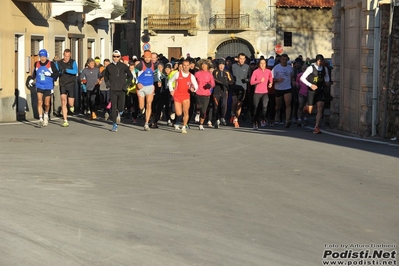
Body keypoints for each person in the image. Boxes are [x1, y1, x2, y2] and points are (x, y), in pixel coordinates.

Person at [104, 50, 133, 132]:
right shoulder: (109, 66)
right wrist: (107, 83)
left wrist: (127, 85)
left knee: (121, 107)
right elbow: (105, 76)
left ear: (120, 57)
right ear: (112, 56)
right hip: (113, 89)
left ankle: (119, 112)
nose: (115, 58)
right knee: (114, 107)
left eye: (117, 56)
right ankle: (114, 125)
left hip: (122, 89)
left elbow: (130, 76)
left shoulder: (124, 66)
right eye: (114, 56)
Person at [300, 54, 330, 134]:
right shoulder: (310, 68)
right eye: (319, 61)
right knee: (310, 111)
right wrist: (310, 85)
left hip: (320, 90)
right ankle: (306, 107)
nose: (320, 63)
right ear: (316, 61)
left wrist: (327, 82)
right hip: (311, 91)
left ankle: (316, 127)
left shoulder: (325, 69)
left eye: (321, 61)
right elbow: (302, 78)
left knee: (320, 106)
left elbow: (326, 77)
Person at [168, 60, 198, 133]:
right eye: (184, 65)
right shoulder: (178, 74)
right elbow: (170, 81)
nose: (186, 67)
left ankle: (184, 127)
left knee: (186, 112)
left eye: (187, 65)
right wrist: (171, 90)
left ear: (189, 66)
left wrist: (193, 89)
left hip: (186, 96)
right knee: (179, 113)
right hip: (177, 96)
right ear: (182, 66)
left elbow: (196, 86)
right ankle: (177, 121)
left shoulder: (191, 76)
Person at [31, 49, 59, 127]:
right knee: (40, 101)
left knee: (47, 104)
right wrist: (31, 79)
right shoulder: (36, 64)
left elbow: (57, 73)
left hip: (48, 86)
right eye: (41, 56)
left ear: (46, 57)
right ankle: (40, 118)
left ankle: (46, 114)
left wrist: (50, 74)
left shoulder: (51, 64)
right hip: (39, 85)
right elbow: (34, 74)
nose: (42, 58)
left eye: (44, 56)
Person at [136, 50, 157, 131]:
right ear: (143, 57)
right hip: (141, 87)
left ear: (151, 57)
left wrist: (158, 81)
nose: (147, 59)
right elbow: (134, 73)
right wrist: (137, 83)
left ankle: (146, 123)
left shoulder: (154, 65)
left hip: (150, 87)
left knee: (149, 104)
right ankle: (141, 110)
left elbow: (156, 75)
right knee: (141, 106)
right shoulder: (140, 65)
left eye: (149, 57)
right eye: (146, 57)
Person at [250, 58, 273, 130]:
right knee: (256, 108)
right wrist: (259, 80)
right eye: (261, 63)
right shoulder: (255, 72)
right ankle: (255, 122)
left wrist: (270, 83)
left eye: (264, 63)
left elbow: (270, 77)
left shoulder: (268, 71)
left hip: (265, 92)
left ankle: (263, 119)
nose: (263, 65)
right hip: (257, 92)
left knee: (264, 107)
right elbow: (251, 82)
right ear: (259, 64)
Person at [272, 53, 294, 128]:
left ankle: (288, 120)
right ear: (280, 59)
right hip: (278, 88)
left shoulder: (290, 68)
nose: (284, 61)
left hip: (287, 88)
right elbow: (272, 79)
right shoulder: (276, 68)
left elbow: (292, 76)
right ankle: (277, 114)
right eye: (283, 60)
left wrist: (293, 81)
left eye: (285, 60)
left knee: (288, 104)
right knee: (278, 105)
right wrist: (278, 80)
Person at [58, 49, 78, 127]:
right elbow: (57, 71)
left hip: (71, 83)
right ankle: (65, 120)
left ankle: (72, 106)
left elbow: (75, 71)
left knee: (70, 103)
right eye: (65, 56)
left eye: (68, 56)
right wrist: (60, 72)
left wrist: (66, 70)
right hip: (62, 83)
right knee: (63, 101)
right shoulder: (59, 63)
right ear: (63, 55)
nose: (66, 58)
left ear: (70, 56)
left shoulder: (73, 62)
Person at [194, 59, 215, 130]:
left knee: (204, 110)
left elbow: (213, 83)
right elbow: (193, 82)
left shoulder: (209, 74)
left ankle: (201, 124)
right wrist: (192, 87)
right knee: (199, 106)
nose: (204, 66)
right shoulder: (197, 73)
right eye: (202, 64)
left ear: (208, 66)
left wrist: (209, 85)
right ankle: (197, 113)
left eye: (205, 65)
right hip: (198, 93)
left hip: (206, 94)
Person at [231, 53, 249, 128]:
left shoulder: (247, 67)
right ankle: (232, 114)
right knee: (234, 102)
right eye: (240, 58)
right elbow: (228, 74)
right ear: (237, 59)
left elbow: (250, 77)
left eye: (243, 59)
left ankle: (236, 119)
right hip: (234, 86)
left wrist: (247, 80)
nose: (241, 60)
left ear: (245, 59)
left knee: (239, 104)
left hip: (243, 87)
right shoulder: (233, 66)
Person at [212, 59, 232, 128]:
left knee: (224, 105)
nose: (221, 67)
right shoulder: (215, 72)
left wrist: (227, 83)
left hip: (224, 91)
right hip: (216, 91)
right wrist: (221, 83)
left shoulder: (227, 72)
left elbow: (231, 80)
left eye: (222, 65)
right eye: (220, 65)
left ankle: (222, 117)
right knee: (216, 106)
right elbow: (214, 79)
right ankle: (216, 119)